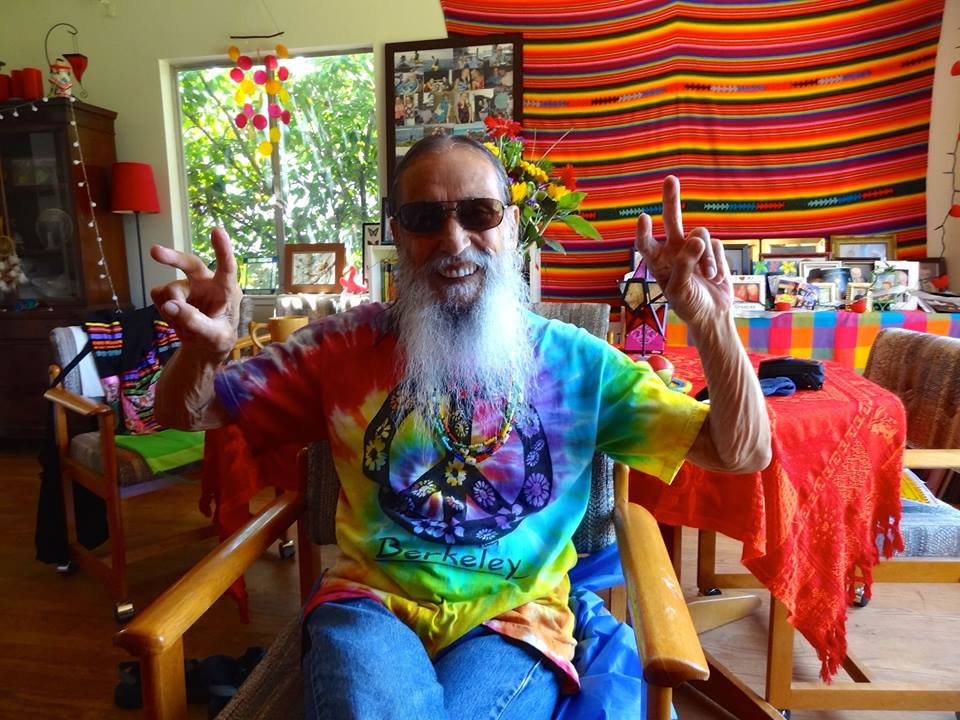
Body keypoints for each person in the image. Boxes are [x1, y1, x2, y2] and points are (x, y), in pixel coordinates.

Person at [149, 135, 770, 720]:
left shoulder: (577, 363)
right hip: (370, 604)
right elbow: (187, 412)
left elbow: (740, 452)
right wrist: (202, 353)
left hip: (516, 617)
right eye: (424, 218)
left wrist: (714, 322)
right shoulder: (339, 348)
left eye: (478, 213)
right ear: (398, 233)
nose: (453, 239)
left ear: (512, 226)